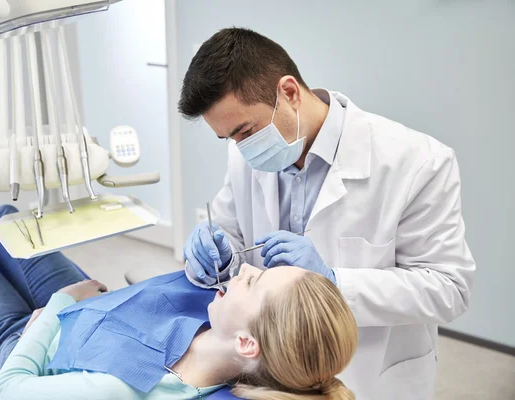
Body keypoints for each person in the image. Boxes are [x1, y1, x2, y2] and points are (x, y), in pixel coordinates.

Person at [180, 28, 476, 399]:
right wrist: (213, 248)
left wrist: (335, 281)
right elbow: (230, 229)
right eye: (230, 139)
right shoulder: (246, 154)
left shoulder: (418, 162)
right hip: (272, 372)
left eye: (245, 131)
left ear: (288, 93)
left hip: (371, 372)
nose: (241, 148)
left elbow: (450, 289)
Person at [0, 204, 358, 400]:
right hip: (93, 312)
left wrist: (56, 307)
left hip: (21, 345)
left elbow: (6, 393)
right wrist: (198, 261)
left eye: (254, 282)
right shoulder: (223, 334)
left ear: (247, 344)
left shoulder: (125, 388)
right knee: (5, 222)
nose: (243, 270)